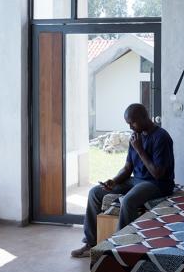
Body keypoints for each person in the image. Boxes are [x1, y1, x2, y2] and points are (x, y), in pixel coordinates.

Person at [71, 103, 175, 258]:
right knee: (94, 193)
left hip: (157, 184)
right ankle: (90, 244)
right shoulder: (136, 137)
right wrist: (113, 181)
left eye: (133, 122)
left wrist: (139, 149)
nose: (131, 127)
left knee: (128, 201)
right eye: (128, 123)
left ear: (144, 117)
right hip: (136, 180)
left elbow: (158, 174)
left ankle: (119, 249)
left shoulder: (161, 137)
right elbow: (127, 168)